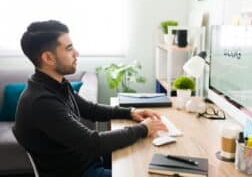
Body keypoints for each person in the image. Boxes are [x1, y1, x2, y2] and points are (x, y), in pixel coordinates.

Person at [14, 20, 167, 177]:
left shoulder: (55, 84)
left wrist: (130, 112)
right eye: (69, 49)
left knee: (145, 155)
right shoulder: (41, 102)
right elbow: (93, 143)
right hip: (80, 172)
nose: (76, 53)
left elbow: (90, 109)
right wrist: (143, 128)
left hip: (87, 160)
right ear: (48, 58)